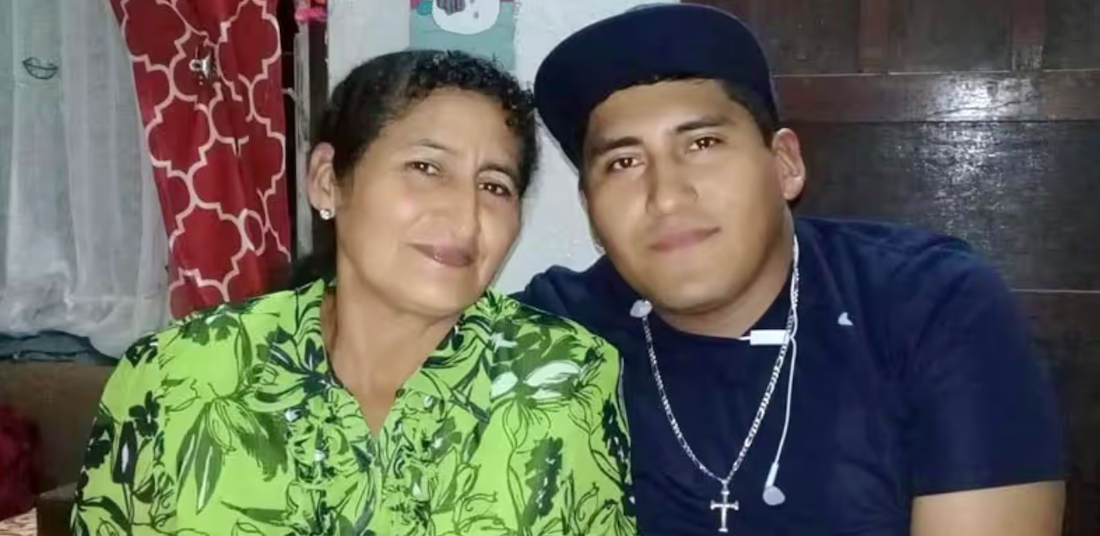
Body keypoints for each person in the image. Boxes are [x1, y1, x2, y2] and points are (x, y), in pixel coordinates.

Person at [516, 4, 1065, 535]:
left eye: (703, 143)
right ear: (592, 209)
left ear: (785, 166)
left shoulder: (928, 304)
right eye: (623, 162)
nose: (666, 196)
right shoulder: (552, 332)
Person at [73, 50, 635, 536]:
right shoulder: (177, 375)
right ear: (327, 179)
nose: (465, 217)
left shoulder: (563, 380)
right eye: (425, 167)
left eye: (494, 185)